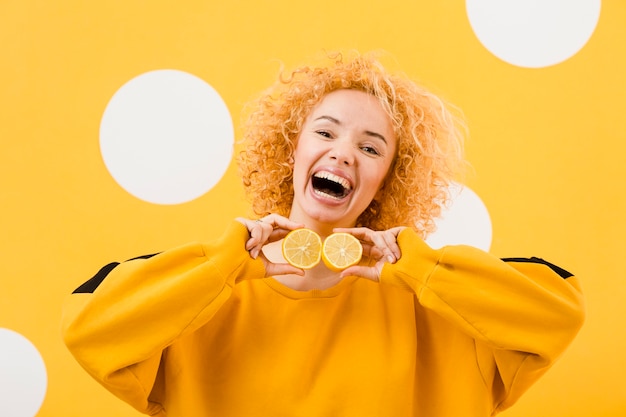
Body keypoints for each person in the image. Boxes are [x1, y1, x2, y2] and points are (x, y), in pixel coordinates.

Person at [61, 51, 585, 417]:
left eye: (371, 147)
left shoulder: (438, 304)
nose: (343, 153)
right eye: (326, 132)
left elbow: (559, 312)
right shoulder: (202, 297)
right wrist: (224, 266)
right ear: (293, 151)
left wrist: (422, 269)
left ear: (386, 182)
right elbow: (89, 329)